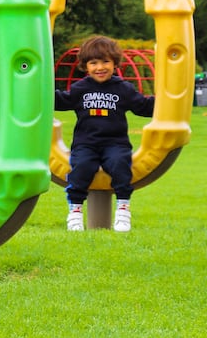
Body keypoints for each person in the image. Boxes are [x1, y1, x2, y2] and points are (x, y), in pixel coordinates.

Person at [54, 36, 154, 233]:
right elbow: (62, 101)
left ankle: (123, 210)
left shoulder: (123, 88)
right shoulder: (80, 88)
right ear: (85, 66)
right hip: (85, 143)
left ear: (115, 63)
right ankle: (75, 212)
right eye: (94, 63)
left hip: (115, 143)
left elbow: (141, 106)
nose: (100, 67)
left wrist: (167, 103)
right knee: (81, 167)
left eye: (106, 61)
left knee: (120, 164)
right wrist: (40, 91)